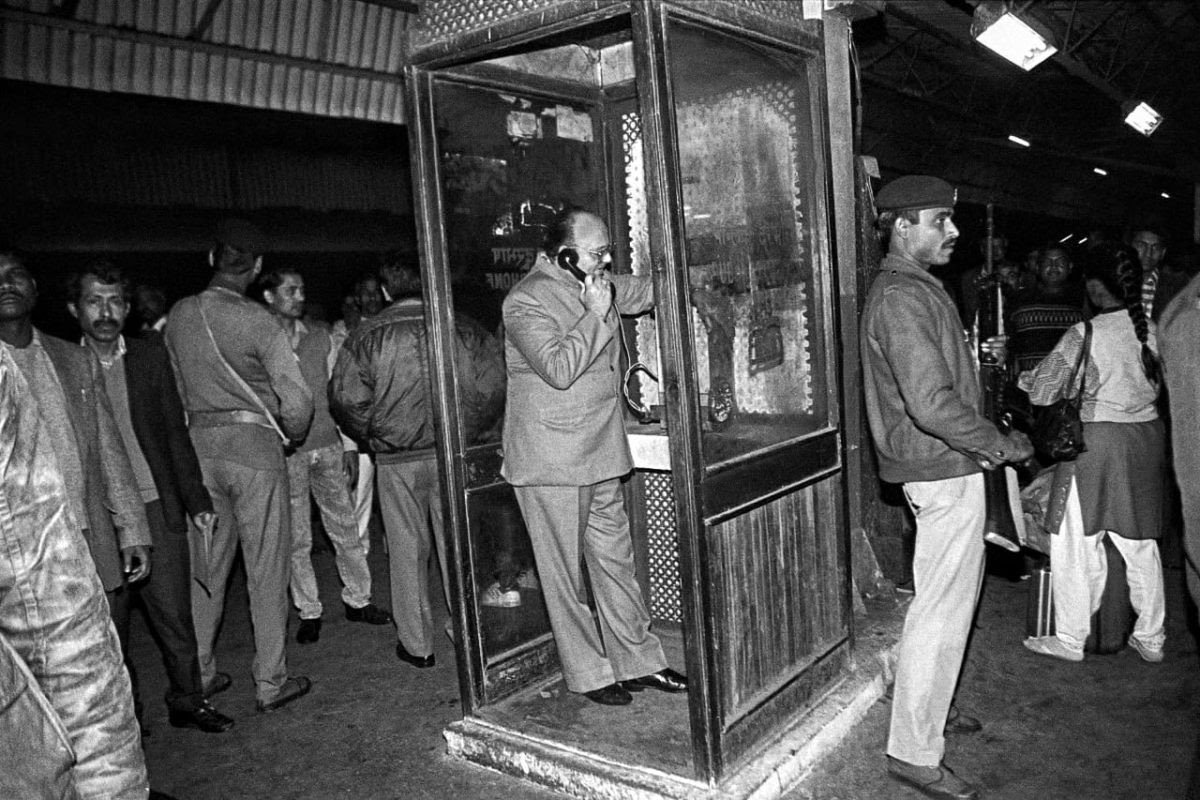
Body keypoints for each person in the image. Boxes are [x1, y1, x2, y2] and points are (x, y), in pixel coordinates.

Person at [860, 176, 1032, 800]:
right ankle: (912, 750)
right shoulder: (903, 298)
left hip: (947, 465)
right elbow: (931, 405)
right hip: (944, 465)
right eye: (940, 220)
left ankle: (928, 707)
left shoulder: (917, 291)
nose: (953, 231)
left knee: (949, 604)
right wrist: (1000, 443)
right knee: (940, 608)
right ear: (902, 226)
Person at [500, 208, 687, 707]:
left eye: (608, 252)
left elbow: (647, 291)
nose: (606, 261)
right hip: (551, 461)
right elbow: (559, 368)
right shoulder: (524, 301)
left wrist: (695, 265)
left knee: (615, 564)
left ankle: (641, 661)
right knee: (563, 576)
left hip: (601, 451)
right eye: (596, 253)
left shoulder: (597, 282)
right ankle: (588, 672)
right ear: (561, 253)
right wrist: (597, 313)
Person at [0, 260, 149, 799]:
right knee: (28, 711)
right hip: (14, 576)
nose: (6, 282)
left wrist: (132, 527)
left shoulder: (70, 359)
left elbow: (110, 452)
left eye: (16, 272)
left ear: (36, 289)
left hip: (89, 548)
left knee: (105, 682)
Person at [66, 261, 234, 734]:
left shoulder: (147, 356)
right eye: (94, 301)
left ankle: (188, 700)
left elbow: (174, 433)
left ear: (127, 306)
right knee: (112, 631)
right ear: (74, 309)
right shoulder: (63, 365)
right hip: (100, 519)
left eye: (115, 300)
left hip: (158, 505)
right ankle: (127, 722)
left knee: (176, 617)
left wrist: (197, 500)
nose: (106, 311)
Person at [164, 219, 315, 713]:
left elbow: (176, 392)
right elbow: (297, 402)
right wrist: (290, 437)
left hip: (200, 452)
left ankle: (201, 673)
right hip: (255, 451)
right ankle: (271, 683)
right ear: (257, 267)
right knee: (266, 570)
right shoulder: (259, 321)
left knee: (207, 568)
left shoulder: (180, 315)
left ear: (212, 258)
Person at [330, 256, 505, 669]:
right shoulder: (460, 327)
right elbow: (493, 385)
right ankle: (467, 634)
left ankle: (417, 645)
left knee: (406, 551)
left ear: (387, 291)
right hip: (449, 454)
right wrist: (467, 429)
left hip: (398, 459)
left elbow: (345, 399)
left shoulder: (366, 334)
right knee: (456, 547)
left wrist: (375, 434)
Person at [1019, 244, 1166, 664]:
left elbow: (1046, 390)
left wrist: (1030, 380)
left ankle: (1069, 637)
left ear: (1095, 287)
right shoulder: (1154, 330)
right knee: (1140, 544)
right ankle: (1151, 638)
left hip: (1097, 447)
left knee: (1076, 543)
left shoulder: (1085, 334)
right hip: (1146, 441)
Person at [258, 267, 392, 644]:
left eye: (301, 289)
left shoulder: (320, 338)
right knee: (298, 537)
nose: (299, 296)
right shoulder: (261, 344)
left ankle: (359, 599)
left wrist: (350, 446)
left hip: (328, 447)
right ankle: (309, 609)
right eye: (290, 290)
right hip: (287, 453)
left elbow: (340, 395)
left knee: (345, 527)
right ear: (269, 296)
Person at [331, 271, 386, 556]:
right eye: (366, 292)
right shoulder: (343, 331)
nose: (372, 297)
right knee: (359, 493)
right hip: (360, 426)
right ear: (356, 297)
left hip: (389, 425)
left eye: (376, 291)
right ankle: (358, 553)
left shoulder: (390, 325)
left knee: (391, 496)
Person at [1008, 245, 1085, 375]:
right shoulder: (1019, 301)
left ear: (1070, 266)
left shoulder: (1083, 300)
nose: (1054, 266)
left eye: (1060, 261)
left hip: (1071, 386)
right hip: (1030, 386)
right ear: (1038, 268)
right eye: (1047, 262)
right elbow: (1009, 345)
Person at [1131, 224, 1187, 321]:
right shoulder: (1111, 283)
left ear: (1163, 253)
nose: (1148, 253)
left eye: (1155, 247)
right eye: (1141, 245)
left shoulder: (1177, 287)